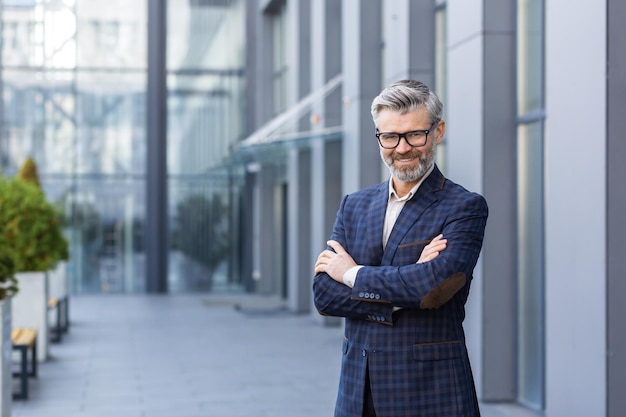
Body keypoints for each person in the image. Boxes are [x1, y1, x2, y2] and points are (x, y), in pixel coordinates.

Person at [313, 80, 488, 417]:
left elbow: (432, 288)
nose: (402, 148)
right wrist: (405, 283)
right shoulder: (355, 205)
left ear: (438, 132)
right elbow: (324, 295)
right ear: (379, 136)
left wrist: (351, 273)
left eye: (415, 135)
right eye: (390, 136)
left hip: (429, 391)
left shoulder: (463, 207)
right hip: (357, 392)